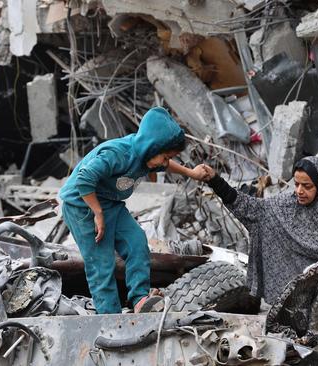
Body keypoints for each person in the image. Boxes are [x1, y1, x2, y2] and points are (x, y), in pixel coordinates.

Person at [201, 156, 318, 324]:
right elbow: (250, 208)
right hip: (300, 313)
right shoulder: (285, 208)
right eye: (297, 184)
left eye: (307, 186)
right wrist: (216, 182)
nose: (299, 191)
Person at [59, 107, 207, 314]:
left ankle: (139, 299)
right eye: (165, 157)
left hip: (110, 202)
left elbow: (167, 164)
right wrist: (98, 214)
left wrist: (191, 172)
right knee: (102, 264)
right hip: (83, 205)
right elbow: (84, 179)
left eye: (167, 158)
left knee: (137, 242)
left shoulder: (149, 156)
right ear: (151, 147)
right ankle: (109, 319)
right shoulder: (117, 154)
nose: (165, 162)